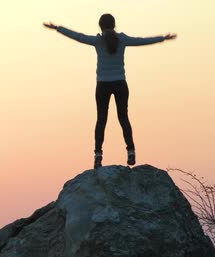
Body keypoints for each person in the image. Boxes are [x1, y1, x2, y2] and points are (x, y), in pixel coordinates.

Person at [43, 14, 176, 169]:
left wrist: (58, 28)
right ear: (114, 25)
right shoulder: (122, 39)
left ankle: (98, 156)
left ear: (100, 26)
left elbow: (78, 37)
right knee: (123, 118)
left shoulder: (98, 41)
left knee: (101, 120)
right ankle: (131, 152)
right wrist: (162, 38)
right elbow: (141, 41)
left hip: (103, 85)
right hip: (120, 84)